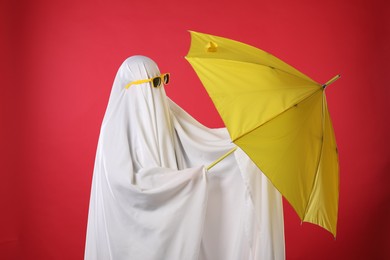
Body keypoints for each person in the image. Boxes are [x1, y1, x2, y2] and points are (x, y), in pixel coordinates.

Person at [84, 55, 285, 260]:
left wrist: (245, 143)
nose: (159, 89)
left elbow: (202, 142)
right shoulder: (113, 130)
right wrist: (189, 179)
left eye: (162, 80)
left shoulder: (166, 111)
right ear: (131, 87)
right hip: (129, 239)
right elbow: (127, 188)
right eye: (153, 83)